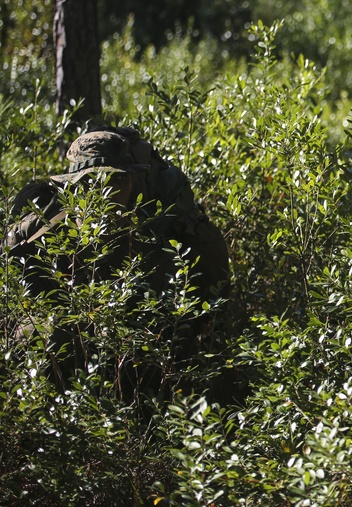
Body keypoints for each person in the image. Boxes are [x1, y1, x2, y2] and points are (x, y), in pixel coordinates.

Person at [6, 128, 230, 395]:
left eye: (119, 180)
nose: (107, 193)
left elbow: (195, 317)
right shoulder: (45, 232)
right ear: (73, 187)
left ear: (133, 183)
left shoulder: (155, 235)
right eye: (92, 182)